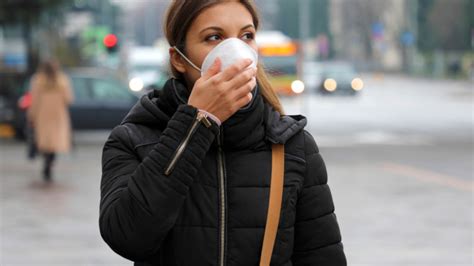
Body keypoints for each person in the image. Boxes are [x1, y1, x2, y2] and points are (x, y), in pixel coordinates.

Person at [99, 1, 346, 265]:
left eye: (246, 36)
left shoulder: (292, 146)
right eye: (214, 37)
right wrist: (196, 123)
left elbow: (323, 256)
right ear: (179, 60)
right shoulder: (133, 139)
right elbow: (128, 237)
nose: (236, 51)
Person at [27, 60, 73, 182]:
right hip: (58, 114)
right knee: (55, 142)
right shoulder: (62, 81)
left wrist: (32, 115)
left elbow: (34, 100)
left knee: (45, 141)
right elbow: (69, 99)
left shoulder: (37, 80)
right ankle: (50, 163)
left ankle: (46, 162)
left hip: (43, 114)